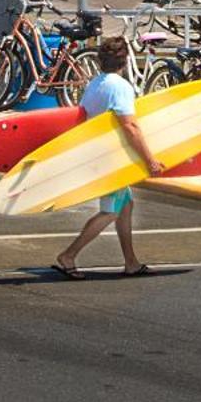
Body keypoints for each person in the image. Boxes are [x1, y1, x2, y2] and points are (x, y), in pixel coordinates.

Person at [53, 37, 164, 278]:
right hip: (109, 159)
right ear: (124, 61)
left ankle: (131, 262)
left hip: (97, 153)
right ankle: (68, 256)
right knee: (111, 211)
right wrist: (150, 160)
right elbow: (130, 127)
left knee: (125, 205)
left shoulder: (95, 84)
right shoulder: (120, 87)